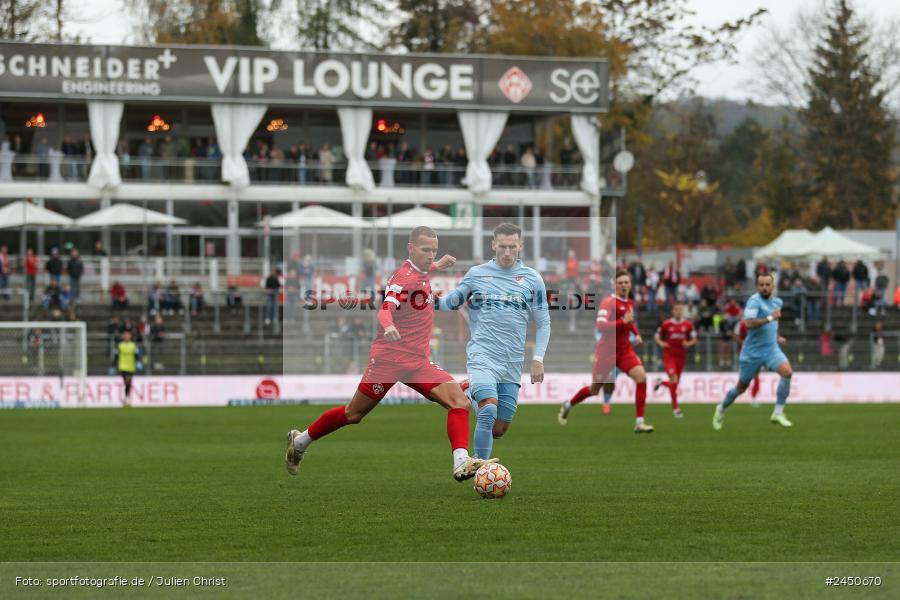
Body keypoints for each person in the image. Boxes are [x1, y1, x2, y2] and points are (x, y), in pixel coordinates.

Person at [283, 226, 495, 482]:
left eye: (434, 250)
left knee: (459, 402)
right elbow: (385, 308)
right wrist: (389, 325)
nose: (430, 255)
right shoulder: (403, 279)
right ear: (411, 248)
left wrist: (437, 268)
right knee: (353, 414)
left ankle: (461, 462)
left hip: (417, 362)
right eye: (426, 250)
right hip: (389, 360)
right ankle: (300, 441)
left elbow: (424, 272)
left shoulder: (421, 270)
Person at [438, 222, 551, 460]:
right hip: (483, 355)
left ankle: (468, 389)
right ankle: (481, 466)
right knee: (488, 409)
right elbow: (452, 302)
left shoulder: (532, 279)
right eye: (502, 246)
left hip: (512, 362)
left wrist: (538, 358)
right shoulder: (477, 274)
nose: (507, 252)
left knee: (498, 429)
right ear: (493, 245)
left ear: (521, 246)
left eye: (512, 247)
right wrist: (430, 299)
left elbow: (543, 323)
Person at [558, 269, 654, 433]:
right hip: (606, 353)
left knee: (641, 377)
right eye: (620, 283)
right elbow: (601, 326)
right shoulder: (608, 302)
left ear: (630, 285)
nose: (623, 285)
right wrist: (622, 321)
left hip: (624, 351)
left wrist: (636, 333)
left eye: (626, 282)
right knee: (594, 390)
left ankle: (639, 423)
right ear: (614, 285)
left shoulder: (629, 303)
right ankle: (569, 404)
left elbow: (629, 322)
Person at [713, 272, 793, 430]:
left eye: (767, 284)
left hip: (771, 349)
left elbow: (772, 325)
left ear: (773, 286)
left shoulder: (778, 302)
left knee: (787, 372)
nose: (764, 287)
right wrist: (770, 318)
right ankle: (721, 408)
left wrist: (777, 337)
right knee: (741, 388)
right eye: (761, 285)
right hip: (752, 353)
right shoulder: (754, 301)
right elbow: (749, 323)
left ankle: (778, 413)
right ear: (757, 286)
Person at [653, 301, 697, 418]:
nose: (678, 312)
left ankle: (661, 382)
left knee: (674, 384)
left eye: (680, 310)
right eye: (676, 309)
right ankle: (676, 409)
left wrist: (688, 343)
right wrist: (661, 343)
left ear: (683, 311)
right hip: (669, 356)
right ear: (673, 311)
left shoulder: (688, 325)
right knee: (674, 379)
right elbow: (656, 336)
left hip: (681, 358)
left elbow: (694, 339)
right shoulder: (666, 324)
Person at [733, 320, 761, 407]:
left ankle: (753, 398)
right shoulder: (741, 323)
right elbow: (735, 335)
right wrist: (742, 342)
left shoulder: (758, 322)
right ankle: (734, 395)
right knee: (744, 379)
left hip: (755, 353)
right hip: (744, 354)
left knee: (756, 376)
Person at [113, 329, 140, 407]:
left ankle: (126, 398)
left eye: (128, 335)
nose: (127, 336)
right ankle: (127, 398)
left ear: (130, 336)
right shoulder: (120, 345)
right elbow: (116, 356)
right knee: (127, 381)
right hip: (123, 366)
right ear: (123, 336)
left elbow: (137, 354)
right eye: (125, 335)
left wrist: (138, 362)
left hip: (131, 366)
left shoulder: (134, 345)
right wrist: (113, 365)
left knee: (128, 382)